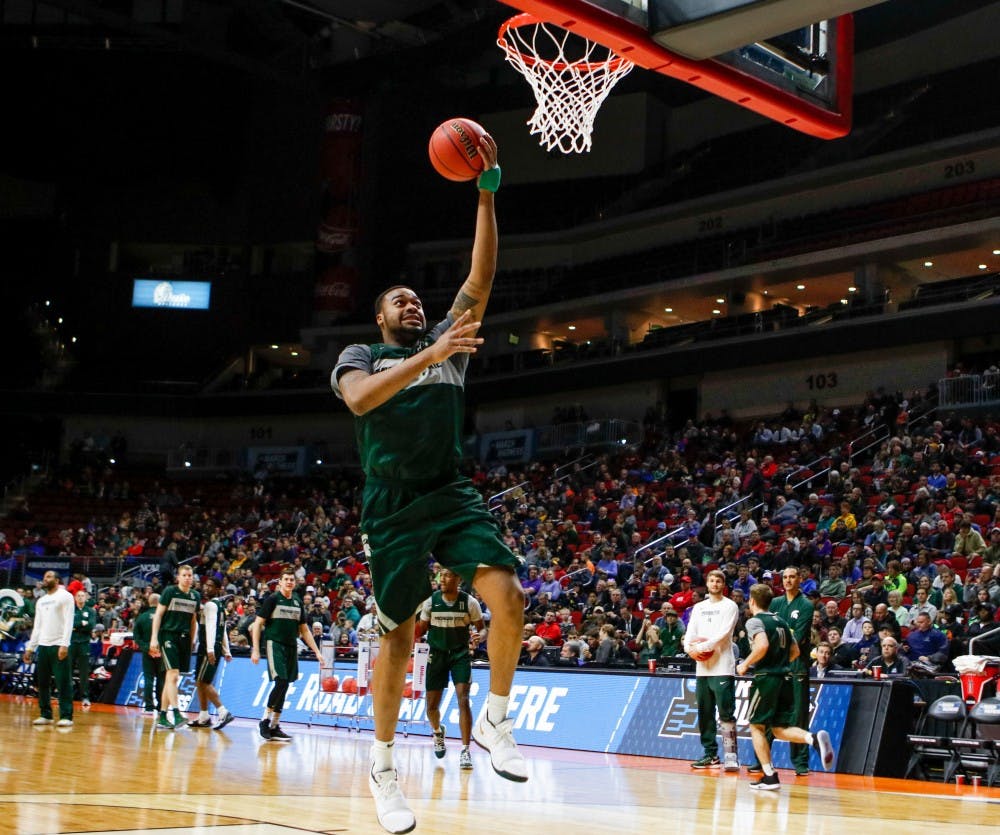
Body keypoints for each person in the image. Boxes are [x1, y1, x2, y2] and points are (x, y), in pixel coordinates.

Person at [331, 137, 527, 835]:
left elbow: (482, 274)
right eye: (400, 300)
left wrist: (486, 192)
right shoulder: (363, 355)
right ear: (381, 317)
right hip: (390, 507)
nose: (413, 304)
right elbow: (359, 401)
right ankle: (383, 768)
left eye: (418, 299)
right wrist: (430, 355)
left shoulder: (447, 339)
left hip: (448, 491)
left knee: (508, 596)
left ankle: (496, 725)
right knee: (398, 636)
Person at [736, 584, 835, 790]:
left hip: (766, 679)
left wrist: (745, 664)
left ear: (752, 601)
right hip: (786, 678)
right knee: (779, 729)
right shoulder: (781, 620)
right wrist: (779, 662)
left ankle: (769, 776)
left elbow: (762, 645)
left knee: (756, 726)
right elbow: (796, 651)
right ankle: (812, 738)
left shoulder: (755, 621)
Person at [414, 568, 486, 771]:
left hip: (459, 655)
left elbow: (482, 628)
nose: (442, 579)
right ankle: (438, 732)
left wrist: (480, 636)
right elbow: (420, 630)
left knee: (463, 698)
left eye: (447, 575)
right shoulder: (430, 602)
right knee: (431, 706)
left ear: (458, 578)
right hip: (436, 655)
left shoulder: (469, 602)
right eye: (440, 575)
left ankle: (465, 750)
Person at [251, 567, 325, 742]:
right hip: (274, 643)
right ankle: (264, 720)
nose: (290, 582)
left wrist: (317, 652)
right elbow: (257, 623)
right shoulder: (273, 599)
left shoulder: (298, 602)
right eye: (286, 579)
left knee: (285, 684)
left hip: (291, 646)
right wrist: (255, 649)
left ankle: (275, 726)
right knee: (281, 681)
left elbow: (305, 630)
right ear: (280, 582)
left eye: (292, 579)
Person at [684, 570, 740, 771]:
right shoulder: (698, 607)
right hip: (702, 668)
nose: (715, 583)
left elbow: (724, 635)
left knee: (726, 712)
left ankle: (731, 756)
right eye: (712, 580)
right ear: (707, 584)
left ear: (723, 584)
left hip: (722, 666)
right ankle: (710, 755)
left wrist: (699, 648)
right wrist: (688, 649)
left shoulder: (730, 605)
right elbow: (690, 632)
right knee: (705, 713)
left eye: (718, 581)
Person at [762, 566, 814, 777]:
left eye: (793, 577)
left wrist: (779, 634)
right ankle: (762, 762)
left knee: (798, 716)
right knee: (768, 715)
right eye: (785, 577)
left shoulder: (806, 605)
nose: (788, 580)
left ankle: (800, 763)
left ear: (800, 579)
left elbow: (797, 637)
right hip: (775, 667)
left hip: (796, 668)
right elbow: (766, 631)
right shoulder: (775, 603)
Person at [149, 564, 200, 731]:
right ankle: (177, 712)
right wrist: (154, 638)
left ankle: (163, 716)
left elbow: (193, 621)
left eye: (190, 575)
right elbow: (158, 615)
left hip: (184, 639)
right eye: (184, 575)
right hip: (168, 636)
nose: (187, 578)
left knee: (170, 678)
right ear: (178, 577)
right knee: (173, 675)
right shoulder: (170, 592)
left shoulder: (195, 596)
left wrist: (192, 641)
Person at [24, 570, 75, 727]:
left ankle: (66, 716)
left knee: (63, 682)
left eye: (49, 577)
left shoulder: (65, 596)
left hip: (59, 644)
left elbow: (68, 621)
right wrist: (30, 648)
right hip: (43, 646)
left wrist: (64, 644)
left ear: (57, 580)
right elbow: (37, 626)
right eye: (44, 577)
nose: (45, 579)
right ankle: (46, 714)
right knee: (43, 682)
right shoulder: (41, 600)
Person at [188, 577, 234, 730]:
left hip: (209, 647)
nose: (206, 588)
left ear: (218, 589)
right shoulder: (219, 606)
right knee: (199, 681)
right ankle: (204, 715)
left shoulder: (211, 605)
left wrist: (210, 649)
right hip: (211, 646)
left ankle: (222, 711)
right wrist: (226, 650)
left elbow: (212, 628)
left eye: (211, 586)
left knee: (204, 681)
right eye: (205, 585)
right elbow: (224, 630)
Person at [131, 593, 162, 715]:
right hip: (161, 652)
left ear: (149, 603)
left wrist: (146, 648)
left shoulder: (142, 617)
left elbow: (136, 636)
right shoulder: (164, 616)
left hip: (147, 652)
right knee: (162, 679)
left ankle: (149, 707)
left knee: (148, 678)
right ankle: (161, 707)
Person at [70, 589, 97, 708]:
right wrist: (82, 624)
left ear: (86, 598)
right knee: (68, 670)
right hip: (71, 643)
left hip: (84, 643)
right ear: (75, 598)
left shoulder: (91, 611)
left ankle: (85, 697)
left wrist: (77, 626)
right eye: (78, 596)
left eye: (82, 596)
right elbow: (70, 624)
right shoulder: (70, 610)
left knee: (84, 672)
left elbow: (91, 625)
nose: (81, 598)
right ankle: (66, 696)